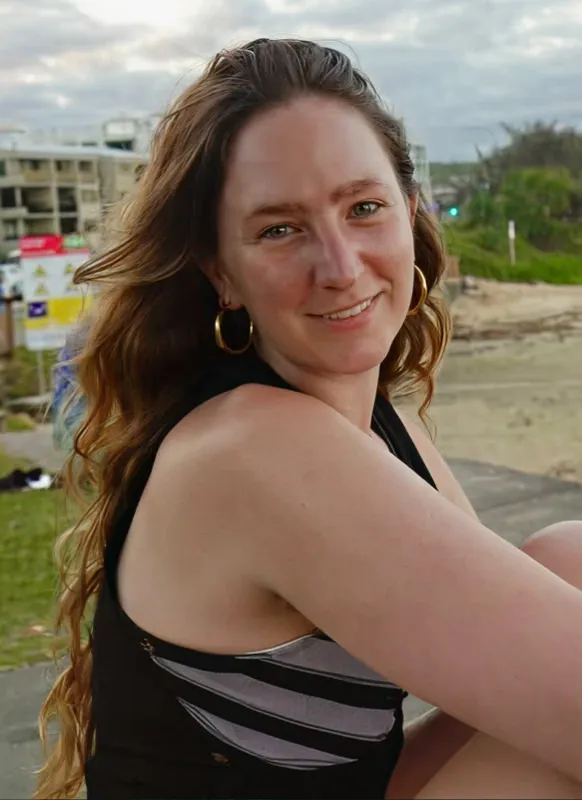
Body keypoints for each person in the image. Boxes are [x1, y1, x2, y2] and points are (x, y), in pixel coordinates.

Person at [36, 38, 582, 800]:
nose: (341, 265)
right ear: (221, 273)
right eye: (280, 229)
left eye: (364, 208)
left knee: (566, 555)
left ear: (409, 214)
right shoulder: (253, 451)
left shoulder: (376, 428)